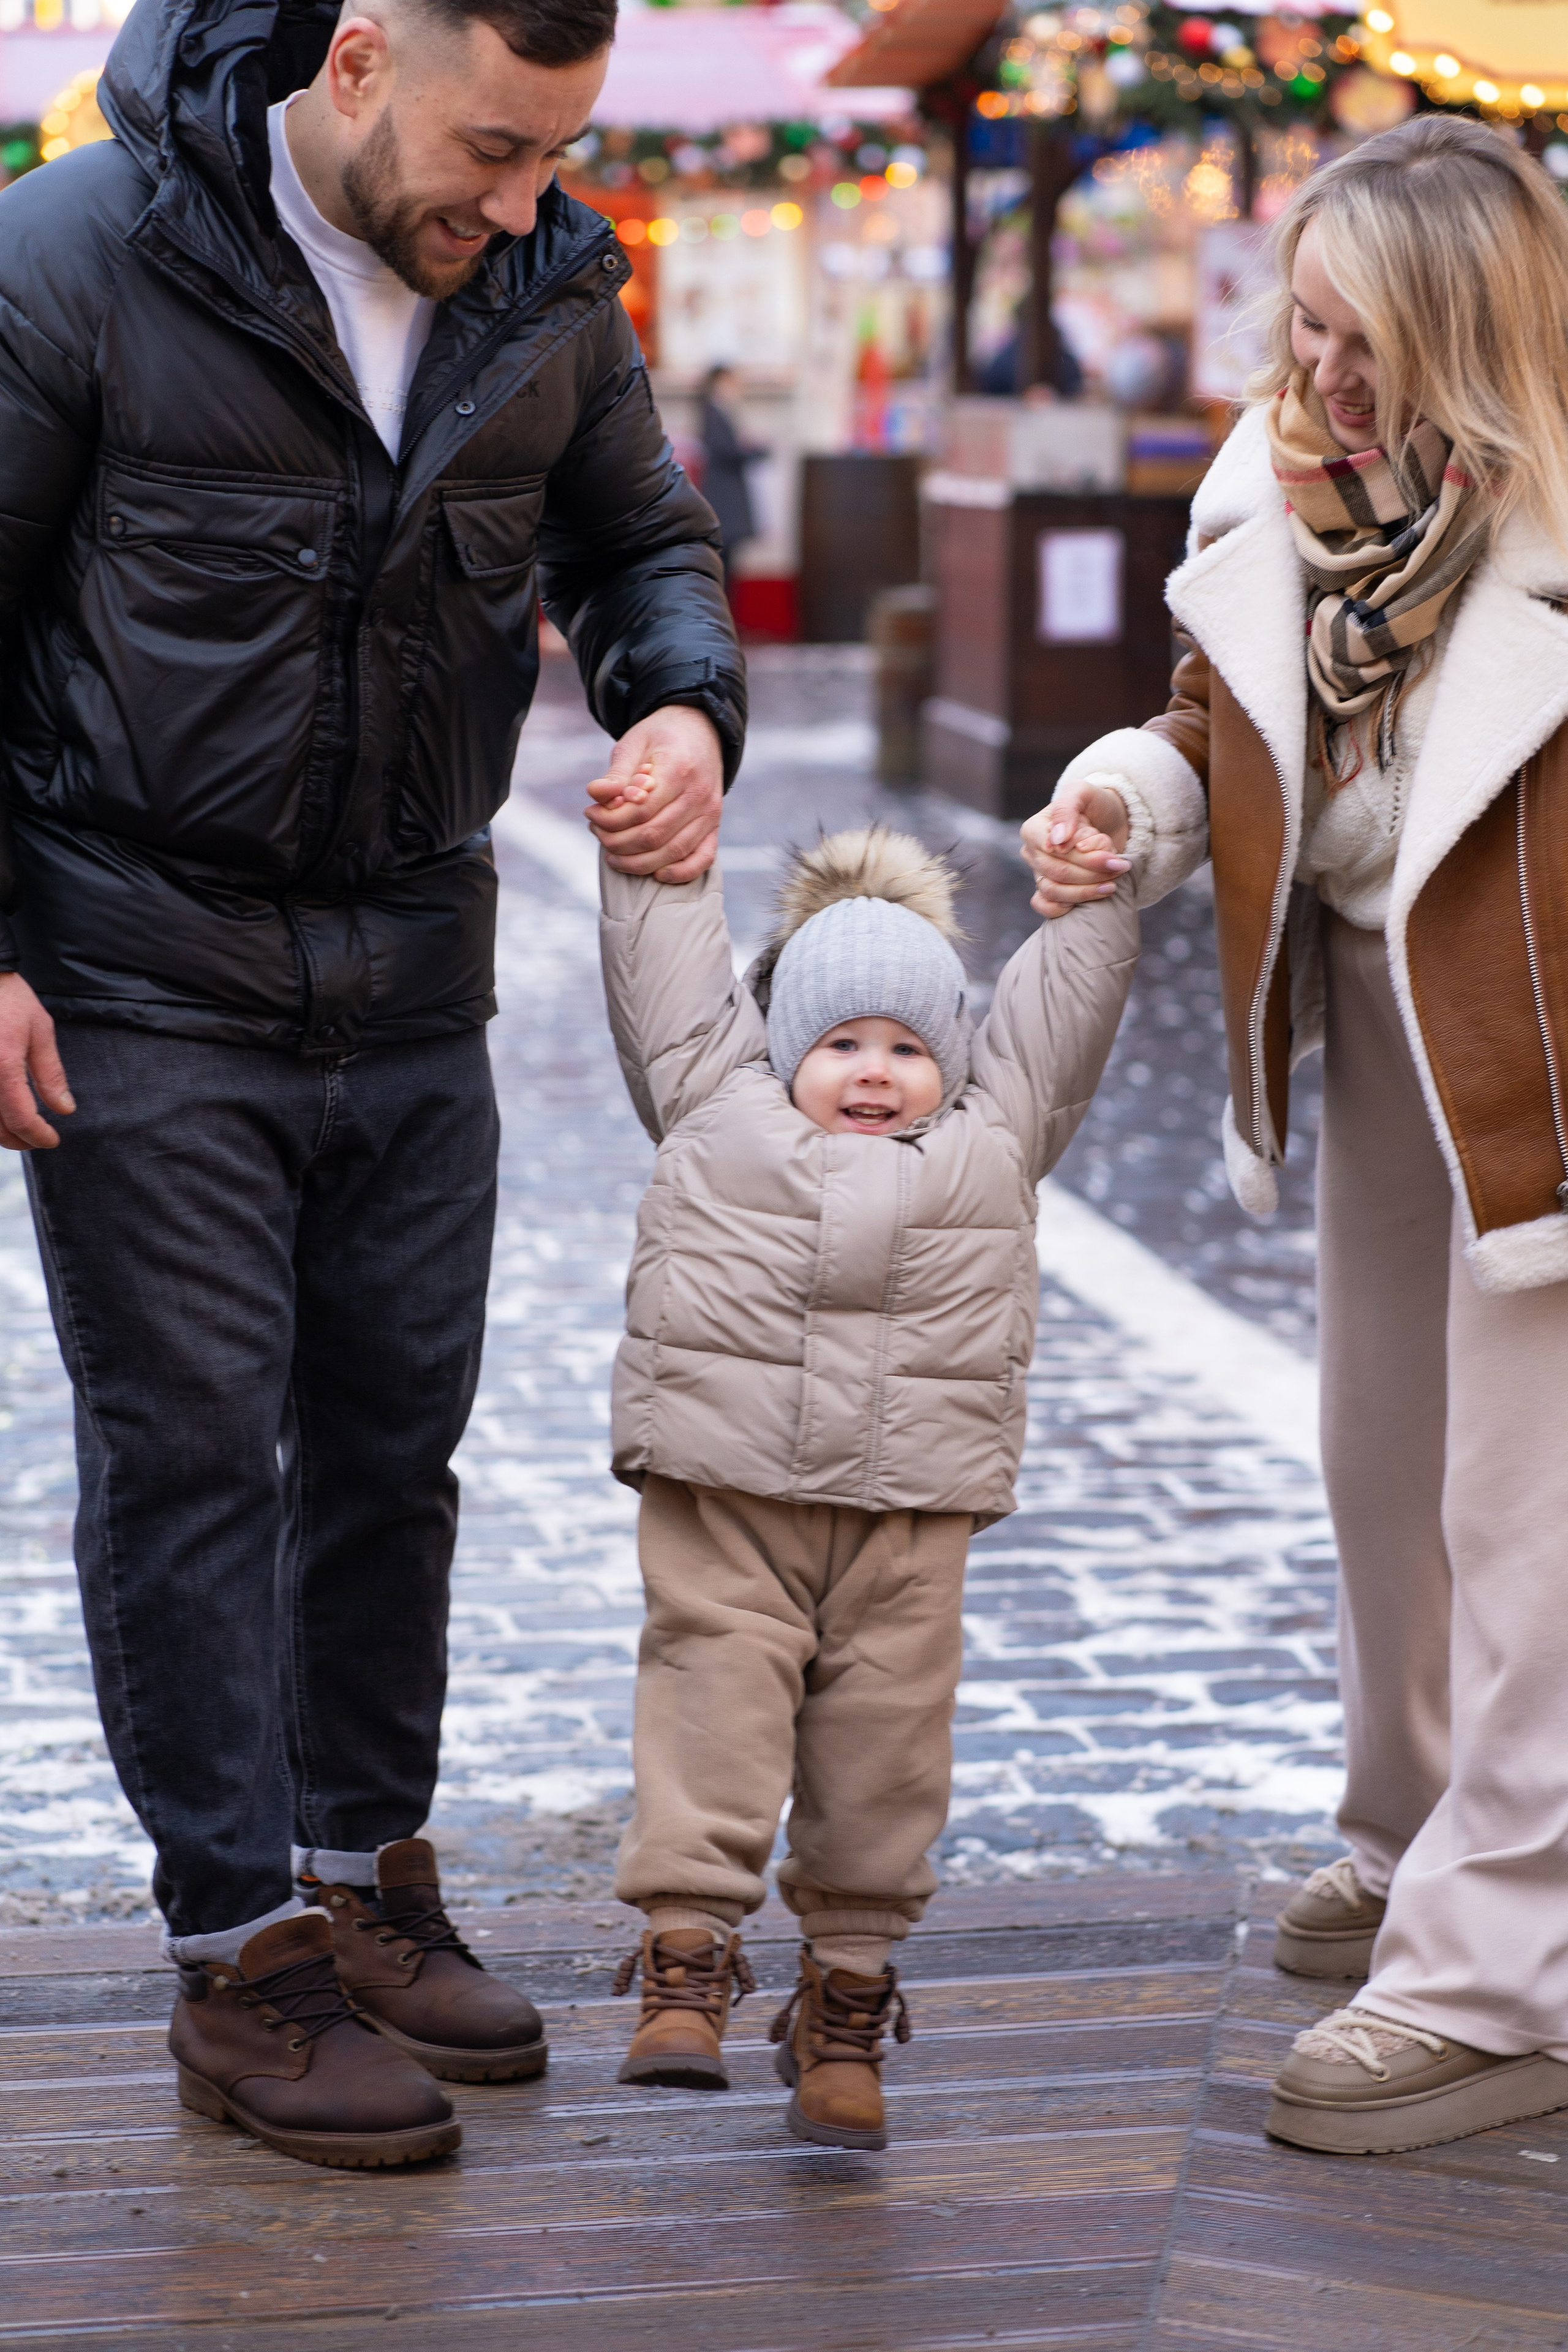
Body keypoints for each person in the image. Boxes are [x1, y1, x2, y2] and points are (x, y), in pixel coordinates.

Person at [0, 0, 745, 2169]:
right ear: (351, 59)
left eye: (556, 156)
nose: (524, 202)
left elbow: (642, 540)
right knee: (196, 1454)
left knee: (392, 1442)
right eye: (496, 148)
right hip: (140, 963)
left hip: (420, 968)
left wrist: (679, 703)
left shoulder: (541, 289)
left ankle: (361, 1866)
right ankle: (241, 1956)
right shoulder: (72, 259)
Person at [1023, 114, 1568, 2156]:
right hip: (1378, 1009)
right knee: (1387, 1469)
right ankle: (1419, 1832)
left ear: (1472, 337)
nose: (1319, 376)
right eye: (1305, 323)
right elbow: (1217, 715)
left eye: (1366, 343)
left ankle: (1507, 1974)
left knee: (1535, 1518)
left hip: (1553, 1043)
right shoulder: (1291, 484)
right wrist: (1131, 805)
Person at [584, 810, 1136, 2150]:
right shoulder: (715, 1101)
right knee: (710, 1699)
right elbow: (662, 968)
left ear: (951, 1059)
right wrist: (660, 846)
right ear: (783, 1047)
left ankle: (846, 1996)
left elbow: (1059, 1013)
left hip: (908, 1513)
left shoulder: (995, 1137)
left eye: (906, 1047)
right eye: (840, 1043)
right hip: (726, 1493)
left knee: (886, 1754)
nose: (875, 1072)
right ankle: (685, 1957)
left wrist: (1097, 900)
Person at [698, 365, 768, 583]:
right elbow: (725, 450)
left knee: (730, 562)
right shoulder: (712, 412)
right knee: (723, 564)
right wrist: (754, 449)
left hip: (727, 496)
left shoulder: (721, 413)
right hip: (723, 497)